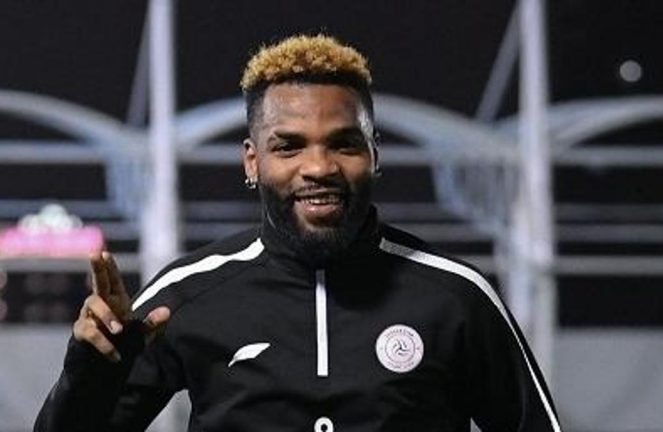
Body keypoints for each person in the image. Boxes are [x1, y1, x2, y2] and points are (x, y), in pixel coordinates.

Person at [34, 34, 561, 432]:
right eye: (288, 147)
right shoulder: (186, 295)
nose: (319, 167)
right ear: (253, 161)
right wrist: (89, 376)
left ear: (374, 155)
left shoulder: (457, 297)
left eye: (344, 144)